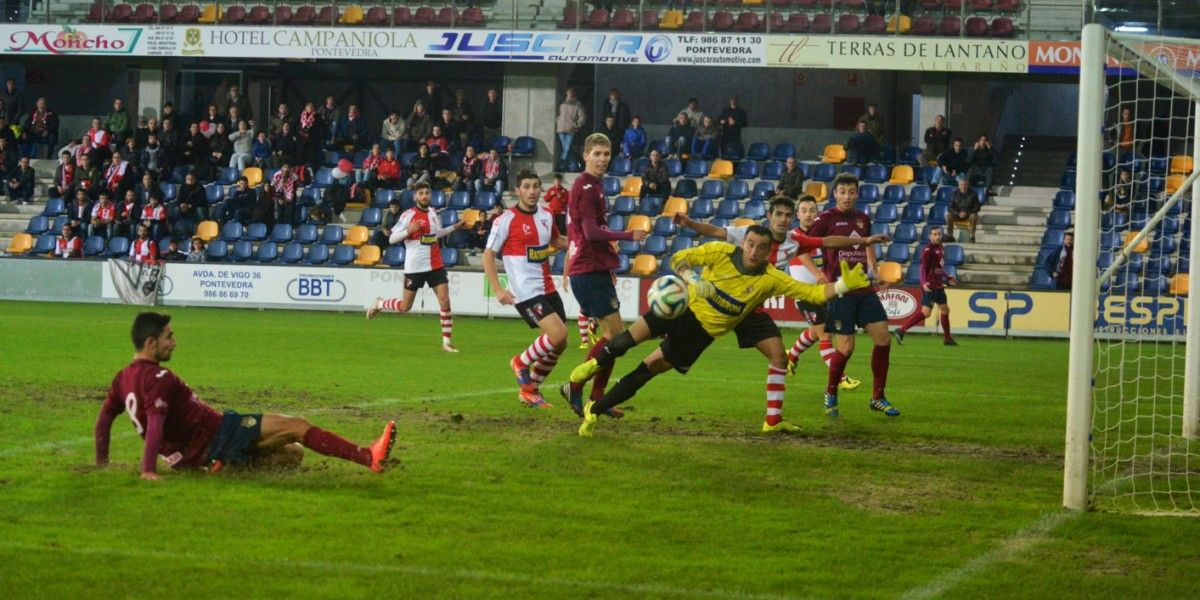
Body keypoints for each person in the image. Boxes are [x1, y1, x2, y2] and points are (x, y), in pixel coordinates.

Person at [572, 227, 872, 437]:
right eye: (750, 244)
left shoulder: (771, 278)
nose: (753, 250)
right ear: (744, 243)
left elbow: (814, 293)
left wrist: (844, 286)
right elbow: (679, 258)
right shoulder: (721, 252)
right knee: (626, 339)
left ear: (769, 252)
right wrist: (691, 276)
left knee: (646, 371)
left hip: (698, 335)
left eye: (760, 247)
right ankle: (589, 368)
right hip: (681, 308)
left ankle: (594, 410)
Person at [95, 312, 396, 479]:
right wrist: (147, 471)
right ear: (150, 342)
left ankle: (224, 468)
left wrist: (102, 461)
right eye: (168, 337)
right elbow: (156, 423)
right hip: (215, 436)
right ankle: (369, 456)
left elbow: (105, 418)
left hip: (192, 453)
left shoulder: (123, 377)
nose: (174, 342)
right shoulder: (159, 377)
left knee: (292, 455)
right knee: (297, 426)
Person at [674, 196, 883, 429]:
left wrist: (864, 240)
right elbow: (714, 230)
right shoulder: (749, 234)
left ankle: (773, 421)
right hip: (727, 301)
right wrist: (689, 223)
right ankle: (656, 356)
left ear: (791, 218)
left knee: (780, 357)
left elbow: (827, 241)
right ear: (769, 216)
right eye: (778, 214)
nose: (783, 220)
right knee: (674, 354)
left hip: (754, 309)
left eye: (787, 215)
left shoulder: (794, 240)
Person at [559, 133, 648, 417]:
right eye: (596, 154)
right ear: (585, 155)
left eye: (606, 154)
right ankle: (576, 385)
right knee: (615, 338)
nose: (602, 159)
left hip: (593, 269)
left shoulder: (595, 186)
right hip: (587, 270)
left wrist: (608, 267)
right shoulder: (585, 186)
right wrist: (629, 234)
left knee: (614, 338)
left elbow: (591, 234)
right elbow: (590, 233)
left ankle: (596, 397)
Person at [806, 173, 899, 419]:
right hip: (841, 291)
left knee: (883, 339)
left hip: (864, 289)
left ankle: (878, 397)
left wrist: (874, 270)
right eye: (843, 191)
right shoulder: (825, 219)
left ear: (858, 193)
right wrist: (817, 272)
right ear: (835, 193)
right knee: (846, 348)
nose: (847, 197)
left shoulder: (862, 218)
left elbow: (866, 244)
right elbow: (802, 246)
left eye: (852, 192)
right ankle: (831, 391)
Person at [483, 169, 570, 408]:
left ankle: (530, 390)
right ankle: (520, 362)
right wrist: (498, 289)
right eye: (527, 187)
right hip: (524, 291)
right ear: (517, 191)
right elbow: (488, 254)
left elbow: (556, 241)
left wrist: (579, 245)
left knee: (561, 343)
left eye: (535, 186)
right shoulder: (506, 220)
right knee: (558, 334)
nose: (532, 191)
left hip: (547, 286)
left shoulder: (547, 214)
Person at [366, 182, 466, 352]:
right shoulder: (408, 215)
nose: (424, 196)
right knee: (405, 307)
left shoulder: (434, 213)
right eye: (421, 193)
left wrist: (453, 227)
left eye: (427, 192)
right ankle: (380, 303)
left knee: (444, 300)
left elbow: (435, 235)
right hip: (415, 266)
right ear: (415, 196)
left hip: (435, 264)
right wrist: (409, 231)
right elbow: (391, 239)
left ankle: (446, 343)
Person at [784, 195, 867, 391]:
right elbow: (801, 254)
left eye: (812, 210)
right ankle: (840, 377)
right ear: (797, 214)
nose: (808, 214)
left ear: (817, 213)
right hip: (805, 295)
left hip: (823, 293)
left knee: (815, 332)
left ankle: (792, 355)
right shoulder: (794, 236)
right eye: (804, 210)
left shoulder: (821, 236)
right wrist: (817, 273)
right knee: (825, 336)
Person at [895, 225, 958, 346]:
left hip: (939, 285)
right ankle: (901, 329)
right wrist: (923, 283)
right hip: (930, 285)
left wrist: (948, 277)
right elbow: (922, 267)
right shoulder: (928, 250)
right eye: (934, 234)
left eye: (939, 234)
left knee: (945, 310)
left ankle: (947, 338)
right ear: (930, 236)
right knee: (926, 313)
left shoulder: (940, 247)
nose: (937, 236)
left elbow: (938, 268)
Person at [555, 87, 586, 170]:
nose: (570, 93)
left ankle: (561, 166)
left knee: (567, 148)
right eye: (568, 92)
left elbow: (582, 117)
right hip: (561, 129)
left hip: (571, 129)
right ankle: (573, 166)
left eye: (571, 92)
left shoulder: (578, 104)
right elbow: (557, 114)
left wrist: (576, 125)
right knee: (566, 149)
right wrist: (558, 122)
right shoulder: (562, 103)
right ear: (566, 92)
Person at [947, 176, 980, 242]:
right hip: (957, 215)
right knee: (948, 216)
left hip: (969, 214)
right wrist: (958, 213)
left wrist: (966, 213)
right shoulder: (954, 194)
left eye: (965, 185)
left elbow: (977, 208)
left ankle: (972, 236)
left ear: (968, 185)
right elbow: (949, 208)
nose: (963, 186)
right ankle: (950, 235)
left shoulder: (973, 194)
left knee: (973, 216)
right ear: (959, 185)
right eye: (961, 185)